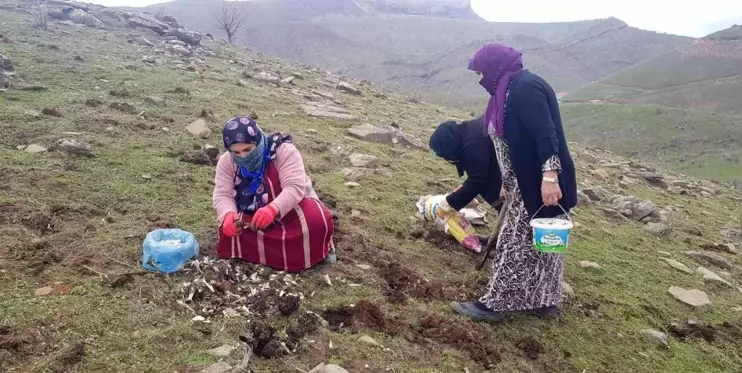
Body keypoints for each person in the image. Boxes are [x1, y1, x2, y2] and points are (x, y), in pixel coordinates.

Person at [447, 43, 577, 322]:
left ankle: (495, 304)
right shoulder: (504, 93)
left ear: (496, 67)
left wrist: (550, 177)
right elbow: (509, 145)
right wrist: (507, 182)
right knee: (544, 243)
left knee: (515, 243)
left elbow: (546, 135)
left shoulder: (526, 88)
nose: (480, 79)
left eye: (481, 72)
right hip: (524, 181)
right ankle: (546, 301)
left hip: (540, 182)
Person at [212, 116, 335, 272]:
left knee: (317, 221)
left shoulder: (283, 151)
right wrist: (228, 214)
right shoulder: (227, 161)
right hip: (253, 216)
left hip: (290, 209)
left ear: (257, 141)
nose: (243, 156)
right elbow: (223, 194)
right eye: (236, 152)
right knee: (229, 232)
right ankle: (270, 252)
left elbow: (295, 187)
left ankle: (320, 250)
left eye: (248, 149)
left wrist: (272, 209)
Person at [429, 116, 503, 221]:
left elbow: (477, 180)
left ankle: (507, 220)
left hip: (521, 161)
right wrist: (464, 189)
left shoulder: (472, 145)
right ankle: (502, 227)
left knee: (486, 187)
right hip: (502, 160)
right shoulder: (466, 132)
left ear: (450, 148)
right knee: (485, 186)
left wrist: (449, 202)